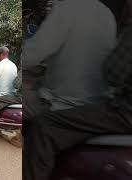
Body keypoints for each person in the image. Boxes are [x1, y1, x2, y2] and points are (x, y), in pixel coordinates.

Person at [23, 10, 132, 180]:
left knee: (41, 124)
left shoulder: (64, 11)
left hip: (65, 100)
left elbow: (32, 54)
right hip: (97, 98)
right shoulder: (107, 14)